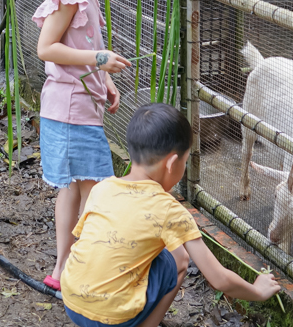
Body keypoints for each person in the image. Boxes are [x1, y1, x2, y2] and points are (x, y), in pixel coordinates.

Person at [61, 104, 281, 327]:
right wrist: (257, 290)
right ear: (171, 163)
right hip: (113, 318)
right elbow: (219, 279)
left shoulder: (103, 187)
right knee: (178, 260)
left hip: (71, 300)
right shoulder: (169, 210)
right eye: (184, 162)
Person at [33, 0, 136, 290]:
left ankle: (66, 267)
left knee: (74, 188)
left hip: (75, 106)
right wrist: (99, 59)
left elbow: (81, 43)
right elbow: (46, 48)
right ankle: (83, 268)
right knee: (95, 190)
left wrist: (104, 80)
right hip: (72, 110)